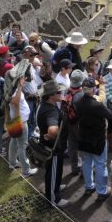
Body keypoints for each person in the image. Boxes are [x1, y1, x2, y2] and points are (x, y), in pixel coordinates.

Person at [74, 76, 112, 201]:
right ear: (93, 89)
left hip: (83, 137)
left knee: (86, 162)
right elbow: (109, 115)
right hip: (97, 138)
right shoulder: (97, 105)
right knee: (100, 164)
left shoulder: (78, 102)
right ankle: (102, 191)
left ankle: (89, 186)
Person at [37, 80, 69, 208]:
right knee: (53, 171)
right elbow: (53, 129)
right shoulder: (51, 111)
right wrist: (51, 134)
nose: (61, 93)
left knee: (54, 170)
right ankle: (53, 199)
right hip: (53, 148)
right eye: (59, 92)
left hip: (51, 145)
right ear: (51, 95)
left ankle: (55, 185)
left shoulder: (45, 104)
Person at [6, 67, 38, 177]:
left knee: (14, 141)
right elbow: (15, 102)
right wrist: (20, 86)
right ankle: (26, 171)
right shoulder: (14, 89)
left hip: (16, 119)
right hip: (20, 121)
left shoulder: (10, 87)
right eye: (22, 77)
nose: (24, 78)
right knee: (22, 146)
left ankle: (13, 162)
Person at [65, 69, 85, 176]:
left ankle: (74, 168)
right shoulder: (81, 95)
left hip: (69, 121)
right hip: (79, 124)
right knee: (82, 147)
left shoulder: (67, 91)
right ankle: (83, 170)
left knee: (72, 145)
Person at [23, 57, 44, 137]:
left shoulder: (32, 67)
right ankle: (29, 136)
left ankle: (33, 132)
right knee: (29, 118)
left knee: (33, 117)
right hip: (28, 99)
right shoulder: (24, 69)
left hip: (34, 98)